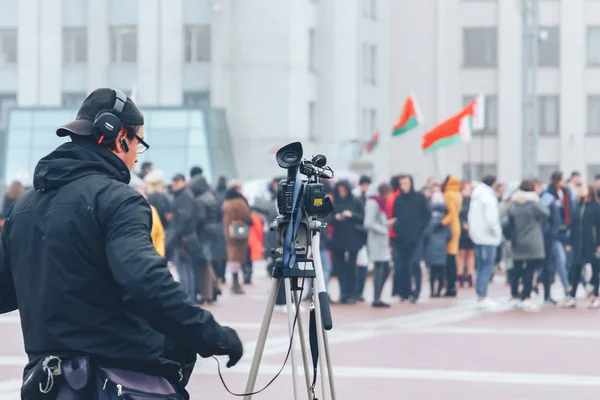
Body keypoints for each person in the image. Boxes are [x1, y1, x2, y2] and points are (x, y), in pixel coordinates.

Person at [0, 88, 242, 398]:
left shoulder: (23, 207)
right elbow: (145, 281)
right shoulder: (117, 200)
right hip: (114, 381)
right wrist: (213, 336)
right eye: (138, 144)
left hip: (48, 384)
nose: (135, 157)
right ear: (119, 137)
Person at [506, 179, 550, 312]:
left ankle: (514, 296)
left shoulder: (513, 203)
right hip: (532, 241)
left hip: (516, 240)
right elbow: (546, 213)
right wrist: (537, 200)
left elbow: (508, 217)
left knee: (516, 269)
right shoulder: (533, 203)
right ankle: (526, 297)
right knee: (529, 271)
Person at [391, 175, 430, 302]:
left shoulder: (419, 197)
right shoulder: (398, 199)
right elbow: (396, 216)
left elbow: (427, 215)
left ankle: (417, 290)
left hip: (417, 236)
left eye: (406, 183)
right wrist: (397, 228)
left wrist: (421, 230)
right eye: (402, 183)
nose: (404, 185)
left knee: (415, 262)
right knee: (403, 264)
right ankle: (405, 291)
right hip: (402, 237)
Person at [563, 183, 600, 309]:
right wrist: (569, 242)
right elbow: (572, 226)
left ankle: (595, 295)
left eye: (584, 188)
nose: (581, 190)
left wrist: (599, 243)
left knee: (595, 269)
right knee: (576, 269)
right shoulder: (578, 206)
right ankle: (572, 296)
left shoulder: (596, 206)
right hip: (578, 243)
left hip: (591, 242)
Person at [468, 175, 502, 310]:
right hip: (488, 236)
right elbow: (491, 218)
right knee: (487, 266)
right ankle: (483, 295)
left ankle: (480, 294)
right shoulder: (488, 197)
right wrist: (497, 233)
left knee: (480, 266)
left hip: (478, 235)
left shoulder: (476, 196)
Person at [329, 180, 365, 304]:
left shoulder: (356, 201)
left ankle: (353, 293)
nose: (341, 192)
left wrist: (352, 215)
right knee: (339, 267)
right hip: (339, 238)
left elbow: (362, 217)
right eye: (339, 190)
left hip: (353, 238)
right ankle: (343, 293)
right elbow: (329, 218)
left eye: (343, 190)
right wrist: (336, 217)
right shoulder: (335, 202)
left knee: (352, 266)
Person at [189, 173, 221, 304]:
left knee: (203, 263)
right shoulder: (210, 197)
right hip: (212, 232)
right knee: (207, 262)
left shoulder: (200, 200)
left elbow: (199, 218)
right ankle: (213, 288)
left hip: (202, 233)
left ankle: (207, 293)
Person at [166, 173, 198, 301]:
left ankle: (188, 298)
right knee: (187, 269)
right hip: (186, 236)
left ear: (184, 182)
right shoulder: (183, 195)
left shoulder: (184, 196)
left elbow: (184, 219)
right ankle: (190, 297)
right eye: (173, 181)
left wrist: (173, 237)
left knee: (184, 269)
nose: (175, 184)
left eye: (177, 181)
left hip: (183, 238)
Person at [364, 183, 394, 308]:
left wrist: (387, 224)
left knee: (384, 268)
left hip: (381, 241)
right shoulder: (373, 203)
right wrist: (384, 229)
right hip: (376, 241)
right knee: (380, 268)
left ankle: (378, 297)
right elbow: (368, 223)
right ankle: (376, 298)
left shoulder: (379, 203)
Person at [222, 180, 253, 295]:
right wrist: (250, 222)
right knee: (238, 257)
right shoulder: (240, 201)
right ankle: (236, 283)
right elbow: (247, 216)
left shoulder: (226, 202)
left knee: (232, 257)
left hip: (229, 233)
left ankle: (235, 281)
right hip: (239, 233)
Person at [536, 179, 564, 304]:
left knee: (547, 266)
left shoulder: (548, 199)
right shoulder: (530, 200)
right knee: (534, 267)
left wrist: (552, 234)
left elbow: (556, 219)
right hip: (534, 238)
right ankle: (530, 290)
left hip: (546, 238)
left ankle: (546, 294)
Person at [423, 192, 451, 298]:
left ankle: (432, 291)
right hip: (442, 252)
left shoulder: (429, 223)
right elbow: (449, 237)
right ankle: (439, 291)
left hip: (430, 251)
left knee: (432, 274)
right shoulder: (444, 224)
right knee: (441, 274)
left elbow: (425, 235)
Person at [441, 175, 463, 297]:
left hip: (450, 227)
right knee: (452, 257)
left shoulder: (448, 194)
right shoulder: (458, 193)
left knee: (449, 259)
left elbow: (452, 212)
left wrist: (442, 223)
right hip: (456, 225)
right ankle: (452, 285)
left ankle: (450, 286)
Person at [457, 181, 475, 288]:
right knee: (461, 255)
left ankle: (470, 275)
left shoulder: (473, 201)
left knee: (470, 255)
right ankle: (460, 276)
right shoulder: (460, 201)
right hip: (462, 232)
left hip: (471, 232)